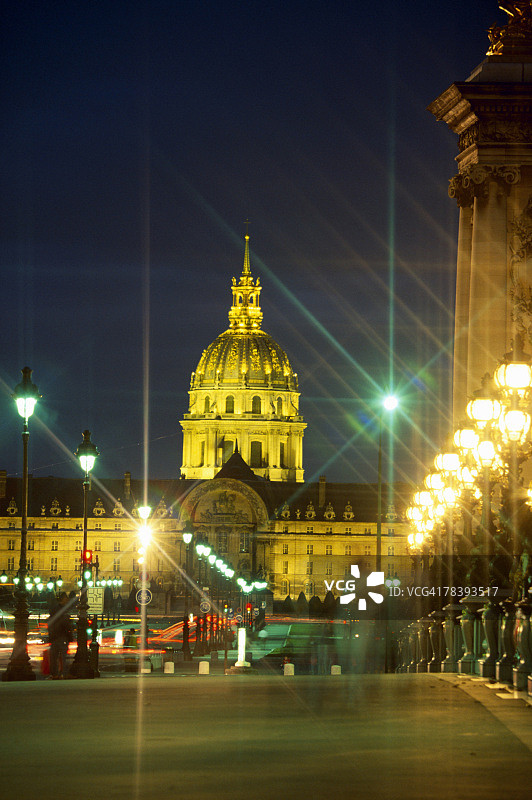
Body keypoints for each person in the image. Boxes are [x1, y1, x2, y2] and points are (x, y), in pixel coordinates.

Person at [47, 592, 73, 679]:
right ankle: (64, 673)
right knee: (63, 656)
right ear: (63, 599)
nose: (68, 600)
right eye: (66, 598)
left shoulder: (54, 610)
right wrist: (70, 634)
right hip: (62, 635)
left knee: (54, 657)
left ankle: (54, 674)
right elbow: (65, 624)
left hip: (54, 635)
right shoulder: (63, 610)